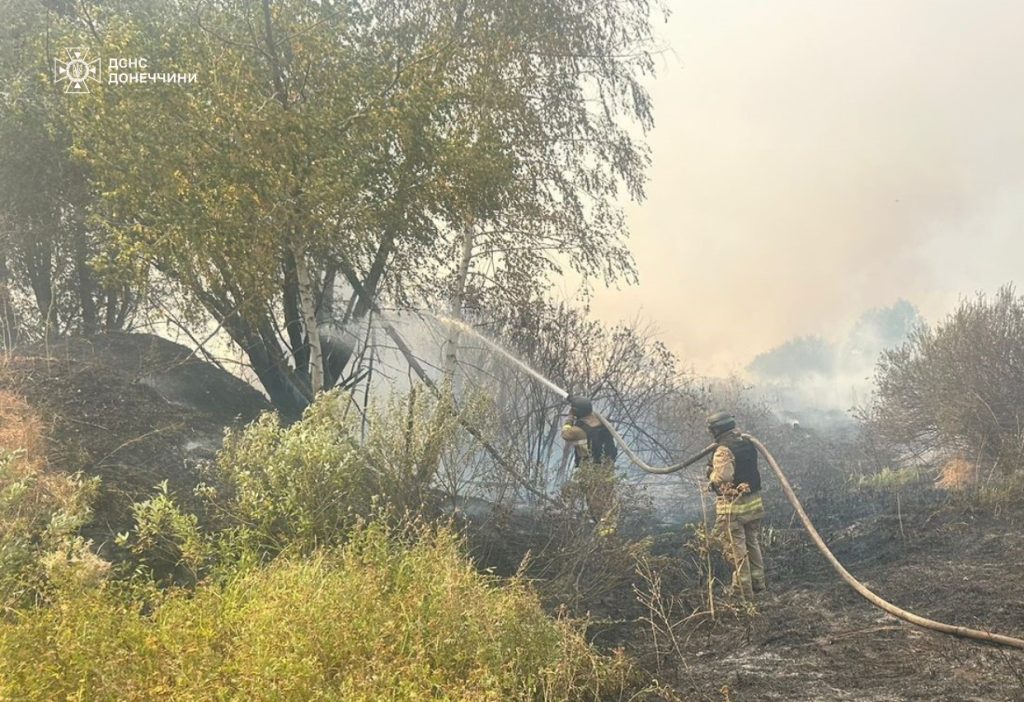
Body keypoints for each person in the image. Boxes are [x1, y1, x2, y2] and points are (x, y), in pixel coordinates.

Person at [705, 411, 767, 599]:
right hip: (753, 504)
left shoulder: (723, 450)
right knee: (752, 543)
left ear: (715, 430)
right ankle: (758, 584)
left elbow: (723, 478)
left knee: (736, 549)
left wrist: (710, 474)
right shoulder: (747, 442)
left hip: (734, 508)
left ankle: (742, 592)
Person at [561, 396, 619, 525]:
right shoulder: (600, 420)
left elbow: (565, 434)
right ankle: (610, 521)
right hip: (608, 464)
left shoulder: (578, 430)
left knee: (594, 499)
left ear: (576, 412)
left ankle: (603, 528)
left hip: (591, 467)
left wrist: (570, 418)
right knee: (608, 494)